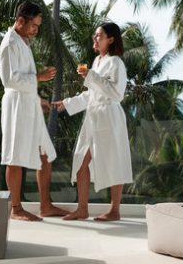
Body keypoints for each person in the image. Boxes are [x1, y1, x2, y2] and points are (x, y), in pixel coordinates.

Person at [53, 22, 132, 221]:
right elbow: (91, 94)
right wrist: (67, 103)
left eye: (99, 35)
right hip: (93, 116)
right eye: (95, 35)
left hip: (109, 116)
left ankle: (114, 210)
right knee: (80, 160)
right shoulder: (97, 61)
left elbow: (116, 93)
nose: (94, 39)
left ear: (111, 39)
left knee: (115, 161)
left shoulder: (116, 63)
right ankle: (82, 209)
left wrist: (92, 76)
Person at [0, 2, 68, 221]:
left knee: (44, 153)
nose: (35, 29)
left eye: (38, 25)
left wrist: (39, 100)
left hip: (28, 104)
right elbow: (9, 80)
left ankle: (45, 205)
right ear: (20, 21)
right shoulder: (10, 43)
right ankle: (16, 208)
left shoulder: (23, 42)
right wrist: (39, 77)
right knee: (15, 155)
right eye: (33, 25)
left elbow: (23, 79)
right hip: (16, 106)